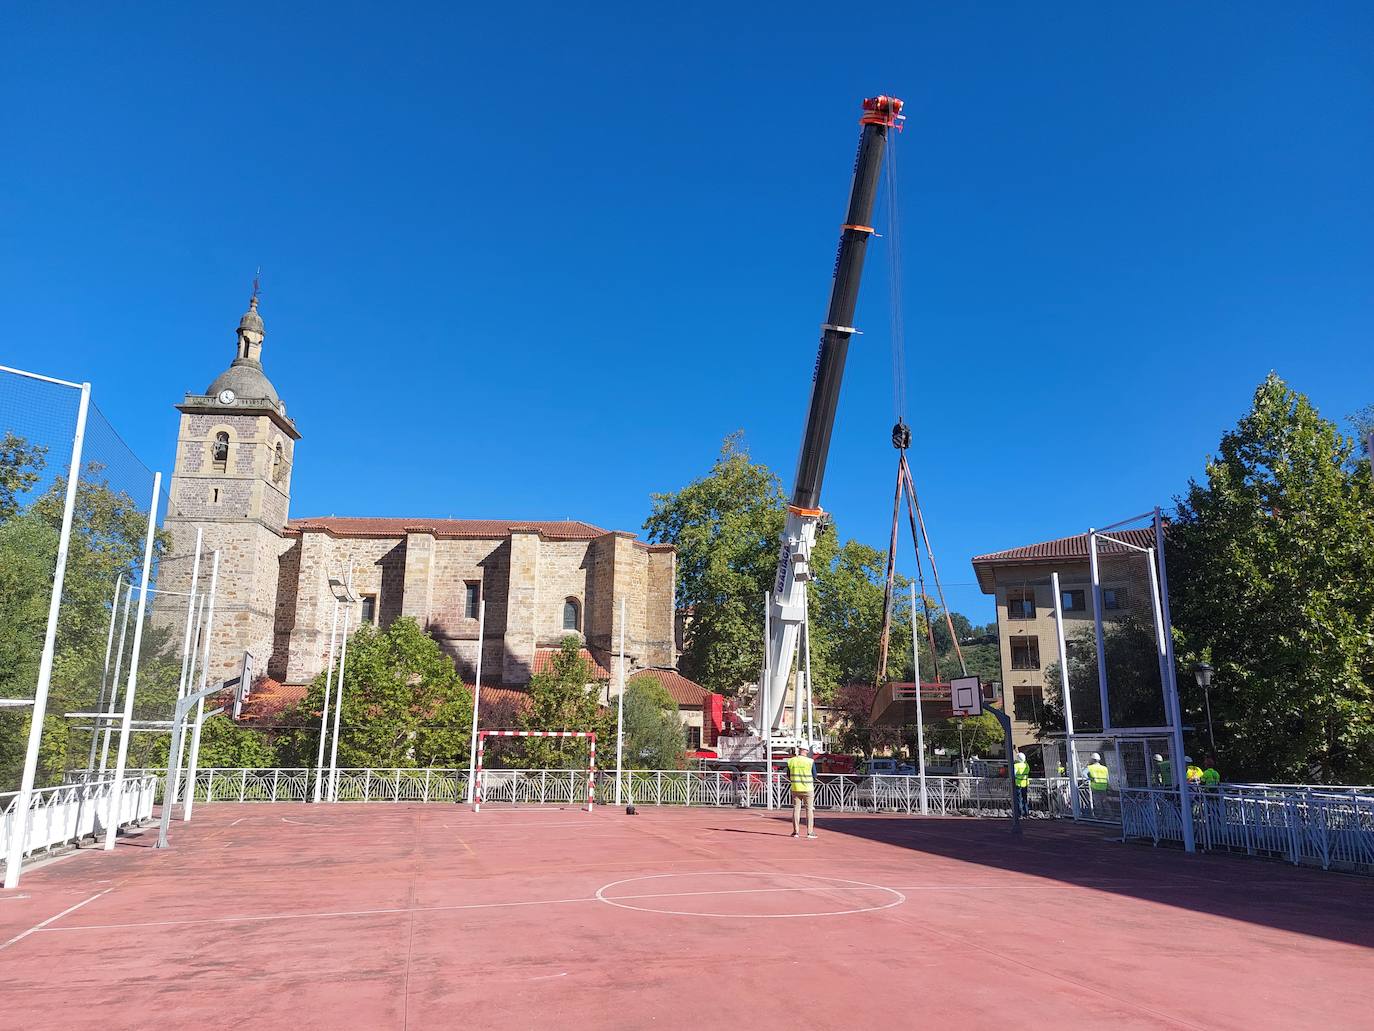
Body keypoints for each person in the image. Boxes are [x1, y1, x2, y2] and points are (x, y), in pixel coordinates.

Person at [785, 746, 816, 839]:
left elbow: (788, 775)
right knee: (809, 810)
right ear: (806, 751)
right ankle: (810, 833)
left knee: (796, 810)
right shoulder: (810, 761)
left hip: (795, 788)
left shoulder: (791, 761)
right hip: (808, 789)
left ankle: (796, 832)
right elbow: (815, 775)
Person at [1013, 751, 1031, 817]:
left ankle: (1020, 813)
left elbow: (1014, 774)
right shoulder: (1027, 766)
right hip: (1025, 784)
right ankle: (1026, 813)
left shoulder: (1016, 766)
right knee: (1025, 799)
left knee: (1019, 799)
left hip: (1018, 784)